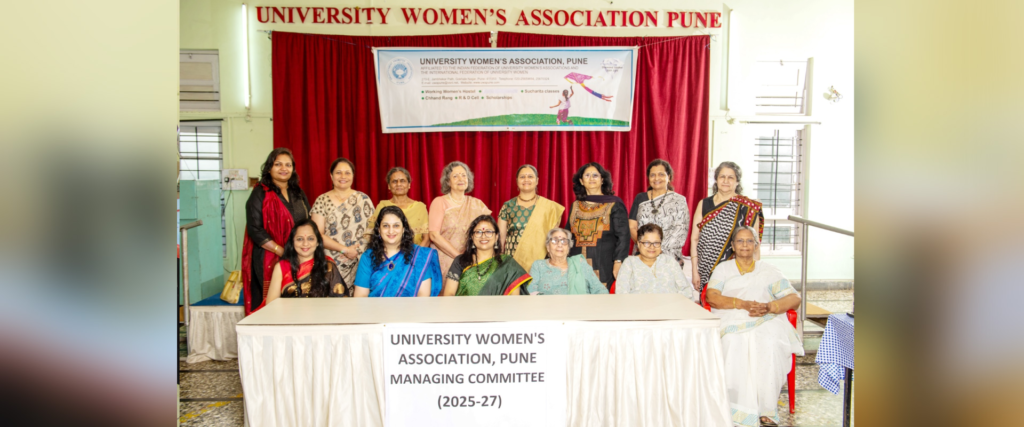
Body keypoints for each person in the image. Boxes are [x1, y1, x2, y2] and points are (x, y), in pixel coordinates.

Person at [705, 226, 802, 427]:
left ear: (756, 245)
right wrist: (742, 304)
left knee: (770, 342)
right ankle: (734, 407)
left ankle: (767, 407)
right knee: (734, 340)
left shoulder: (768, 270)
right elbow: (712, 297)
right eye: (740, 241)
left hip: (765, 316)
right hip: (731, 315)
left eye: (750, 241)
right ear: (733, 246)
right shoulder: (723, 269)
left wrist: (770, 307)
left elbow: (794, 298)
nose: (745, 245)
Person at [241, 148, 311, 315]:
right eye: (278, 164)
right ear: (269, 168)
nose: (283, 168)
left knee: (300, 299)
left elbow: (308, 223)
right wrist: (282, 251)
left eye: (288, 165)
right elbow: (255, 229)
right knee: (271, 303)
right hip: (269, 256)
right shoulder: (260, 193)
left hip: (300, 254)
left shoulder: (298, 193)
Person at [690, 161, 764, 298]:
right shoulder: (704, 204)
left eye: (731, 177)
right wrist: (695, 271)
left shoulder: (747, 208)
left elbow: (755, 245)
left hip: (736, 270)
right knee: (709, 304)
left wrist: (754, 274)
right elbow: (694, 239)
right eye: (722, 177)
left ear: (737, 182)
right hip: (705, 269)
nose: (725, 181)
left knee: (734, 305)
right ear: (716, 179)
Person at [310, 158, 374, 291]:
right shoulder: (322, 200)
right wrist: (344, 250)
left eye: (347, 173)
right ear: (331, 175)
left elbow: (372, 231)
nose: (343, 176)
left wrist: (355, 251)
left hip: (359, 260)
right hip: (330, 262)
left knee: (359, 299)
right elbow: (317, 234)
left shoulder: (363, 199)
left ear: (353, 176)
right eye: (338, 172)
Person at [566, 162, 630, 291]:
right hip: (576, 265)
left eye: (595, 175)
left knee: (602, 299)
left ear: (602, 180)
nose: (591, 178)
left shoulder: (614, 204)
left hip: (605, 264)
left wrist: (618, 261)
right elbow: (567, 235)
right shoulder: (576, 205)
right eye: (587, 175)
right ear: (581, 181)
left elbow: (623, 236)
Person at [353, 206, 442, 297]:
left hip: (412, 306)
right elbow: (360, 296)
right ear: (379, 230)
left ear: (403, 229)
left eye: (396, 226)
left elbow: (423, 296)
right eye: (386, 226)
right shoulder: (368, 257)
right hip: (375, 306)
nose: (391, 231)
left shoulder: (419, 256)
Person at [264, 219, 348, 305]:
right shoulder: (281, 267)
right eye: (300, 239)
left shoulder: (327, 265)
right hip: (289, 313)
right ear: (292, 242)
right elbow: (271, 304)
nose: (305, 243)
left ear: (318, 242)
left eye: (310, 239)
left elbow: (340, 300)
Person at [498, 165, 566, 271]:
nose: (526, 179)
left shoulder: (549, 208)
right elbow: (500, 238)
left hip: (540, 265)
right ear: (517, 181)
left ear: (537, 180)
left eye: (530, 176)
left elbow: (554, 239)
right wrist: (499, 262)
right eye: (522, 177)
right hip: (512, 264)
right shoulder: (508, 206)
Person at [443, 215, 531, 296]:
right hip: (464, 308)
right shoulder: (460, 261)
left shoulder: (508, 264)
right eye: (478, 232)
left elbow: (514, 300)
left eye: (489, 232)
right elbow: (449, 294)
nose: (483, 236)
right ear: (472, 237)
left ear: (496, 237)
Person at [429, 161, 491, 275]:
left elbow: (489, 231)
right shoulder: (439, 202)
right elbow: (434, 235)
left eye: (464, 175)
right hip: (443, 261)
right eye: (455, 176)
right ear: (448, 181)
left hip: (472, 261)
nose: (461, 179)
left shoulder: (477, 204)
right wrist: (460, 258)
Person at [629, 159, 690, 263]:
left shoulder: (679, 200)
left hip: (669, 257)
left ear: (669, 177)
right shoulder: (640, 198)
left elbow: (680, 230)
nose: (656, 178)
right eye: (652, 175)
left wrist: (657, 250)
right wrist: (644, 247)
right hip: (642, 255)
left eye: (661, 174)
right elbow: (632, 227)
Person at [615, 224, 697, 301]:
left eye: (656, 243)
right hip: (638, 309)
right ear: (639, 244)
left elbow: (686, 291)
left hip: (670, 309)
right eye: (647, 243)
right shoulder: (629, 263)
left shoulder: (669, 261)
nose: (652, 247)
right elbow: (621, 294)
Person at [527, 228, 608, 295]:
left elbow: (600, 289)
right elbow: (531, 291)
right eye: (555, 240)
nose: (559, 245)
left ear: (568, 247)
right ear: (548, 247)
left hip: (580, 308)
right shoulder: (538, 266)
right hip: (548, 308)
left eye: (564, 241)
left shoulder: (579, 263)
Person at [365, 167, 430, 246]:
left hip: (416, 252)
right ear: (389, 186)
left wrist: (416, 253)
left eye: (402, 181)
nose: (398, 184)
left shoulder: (420, 207)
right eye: (394, 181)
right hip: (387, 252)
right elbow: (372, 235)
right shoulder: (383, 206)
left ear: (409, 185)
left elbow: (426, 238)